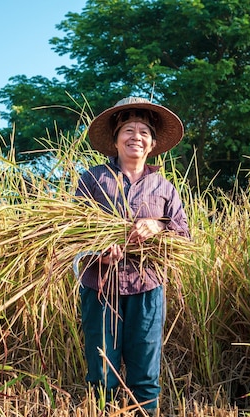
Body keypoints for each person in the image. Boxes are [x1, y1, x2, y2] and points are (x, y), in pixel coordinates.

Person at [75, 97, 190, 416]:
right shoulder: (93, 180)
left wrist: (158, 225)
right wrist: (99, 253)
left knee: (145, 378)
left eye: (143, 132)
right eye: (128, 130)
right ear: (115, 139)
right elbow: (71, 234)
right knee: (102, 376)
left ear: (152, 143)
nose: (135, 137)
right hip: (101, 289)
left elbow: (184, 236)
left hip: (148, 290)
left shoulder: (164, 187)